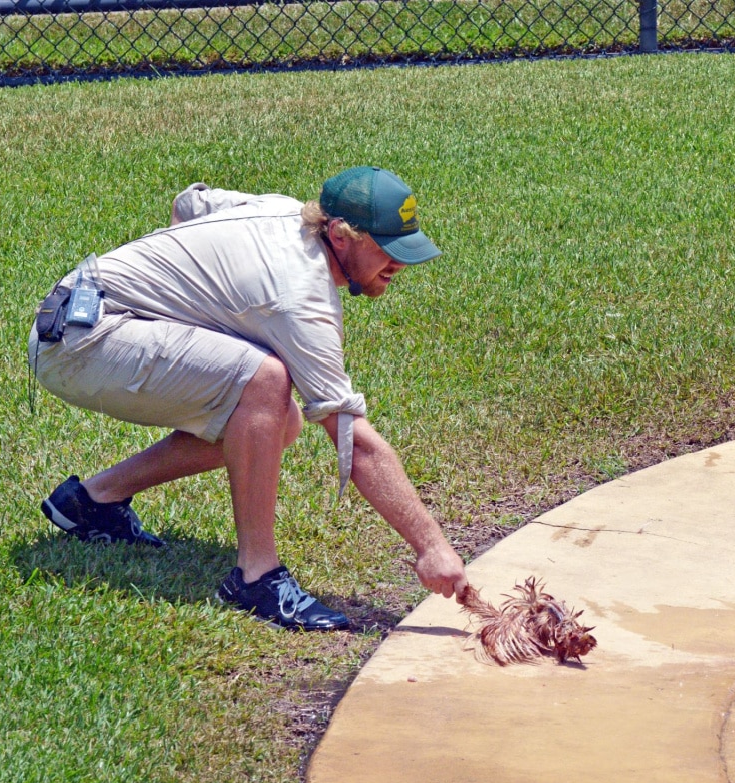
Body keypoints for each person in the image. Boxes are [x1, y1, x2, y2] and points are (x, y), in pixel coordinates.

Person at [28, 166, 469, 630]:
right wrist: (432, 547)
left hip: (76, 310)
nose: (400, 265)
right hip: (80, 342)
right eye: (387, 250)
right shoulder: (301, 296)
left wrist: (194, 298)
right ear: (340, 235)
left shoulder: (282, 210)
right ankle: (256, 577)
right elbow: (354, 443)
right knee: (265, 380)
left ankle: (92, 502)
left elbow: (188, 203)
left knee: (281, 420)